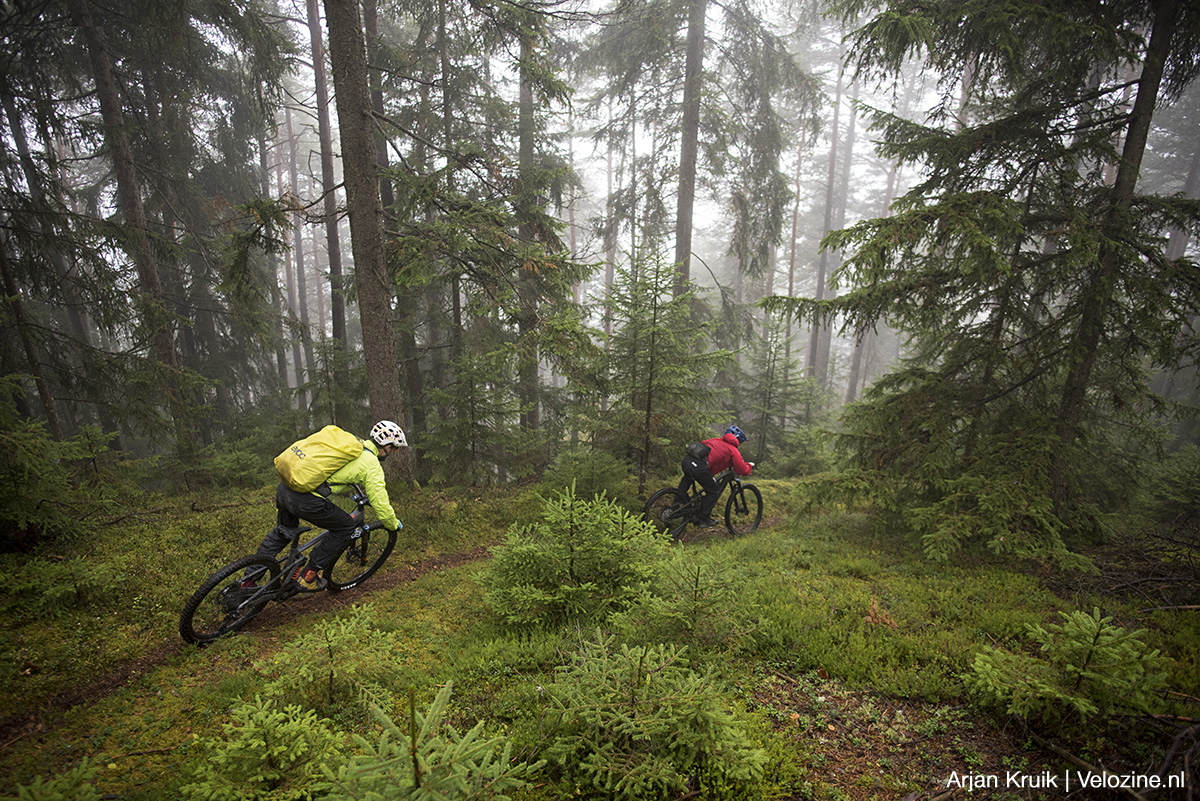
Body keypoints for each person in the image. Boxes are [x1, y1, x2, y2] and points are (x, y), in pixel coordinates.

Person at [245, 420, 406, 591]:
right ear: (386, 446)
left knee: (283, 533)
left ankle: (247, 581)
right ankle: (308, 576)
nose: (394, 452)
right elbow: (380, 501)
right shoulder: (371, 464)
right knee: (346, 527)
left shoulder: (349, 444)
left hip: (286, 488)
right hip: (305, 500)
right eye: (394, 448)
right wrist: (392, 523)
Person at [678, 425, 754, 527]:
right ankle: (703, 519)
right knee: (714, 491)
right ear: (738, 441)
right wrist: (749, 465)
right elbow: (742, 469)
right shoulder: (733, 450)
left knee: (687, 478)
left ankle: (675, 504)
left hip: (687, 461)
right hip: (699, 467)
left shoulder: (715, 440)